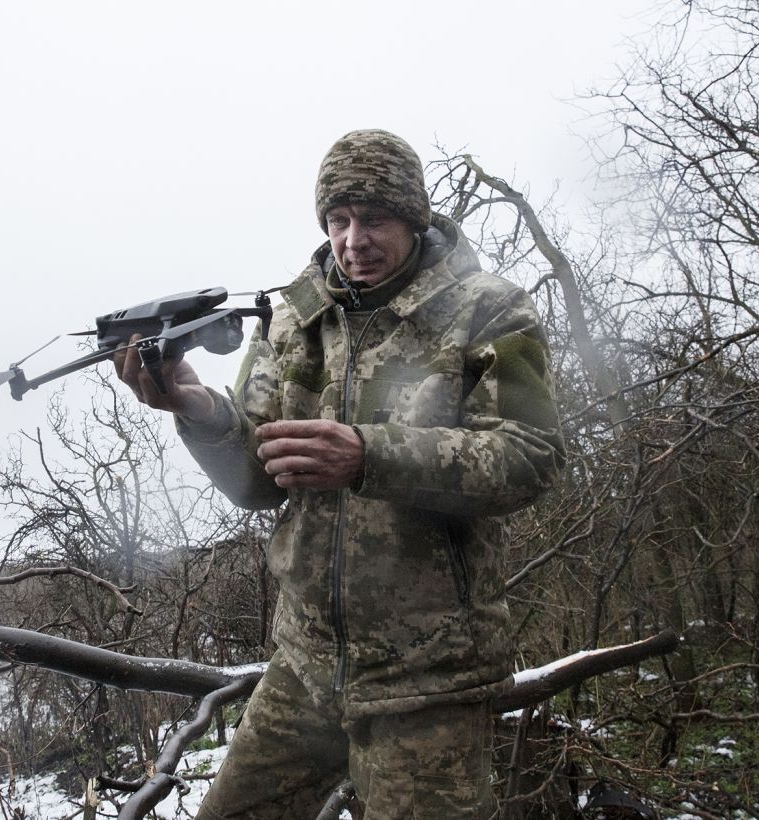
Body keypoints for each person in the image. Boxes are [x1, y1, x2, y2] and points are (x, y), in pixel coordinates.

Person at [114, 129, 564, 819]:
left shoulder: (490, 309)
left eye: (375, 219)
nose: (354, 239)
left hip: (429, 680)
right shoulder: (295, 316)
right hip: (305, 666)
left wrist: (369, 455)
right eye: (339, 219)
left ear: (414, 219)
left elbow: (530, 456)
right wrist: (198, 410)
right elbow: (258, 482)